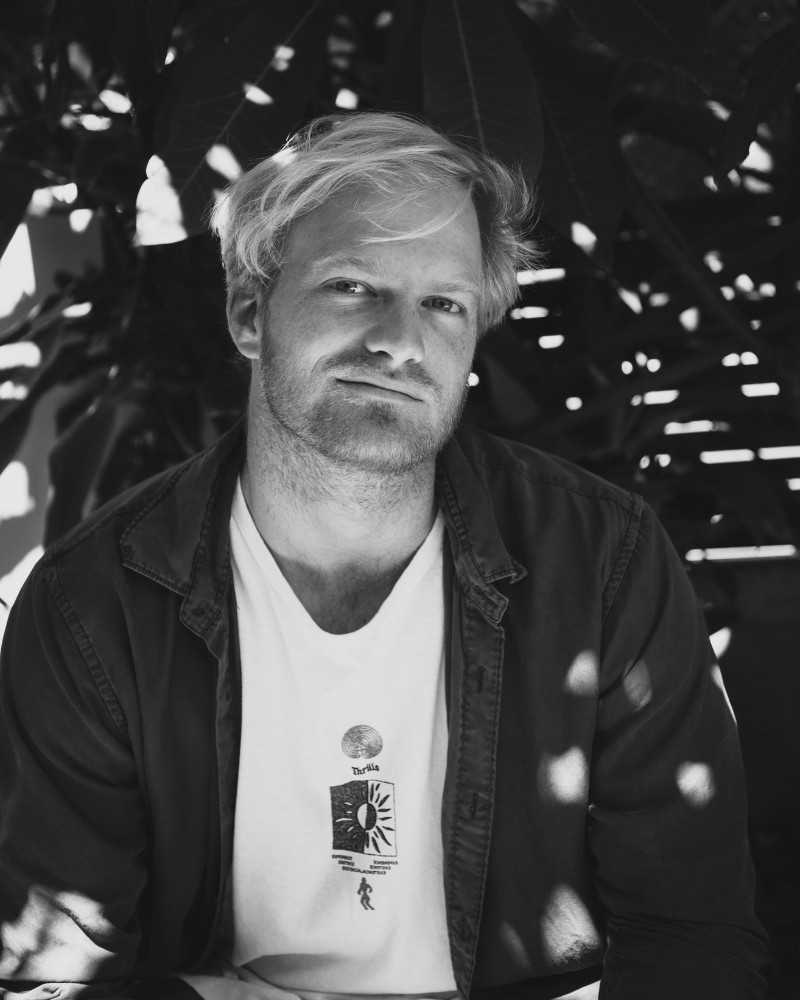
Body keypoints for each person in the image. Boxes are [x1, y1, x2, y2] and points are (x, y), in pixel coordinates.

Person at [0, 112, 767, 1000]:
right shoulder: (95, 603)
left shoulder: (603, 563)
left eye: (444, 303)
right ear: (251, 313)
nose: (401, 341)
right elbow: (50, 977)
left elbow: (695, 937)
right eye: (356, 285)